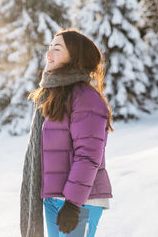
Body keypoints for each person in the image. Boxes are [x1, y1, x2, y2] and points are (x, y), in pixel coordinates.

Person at [20, 28, 114, 237]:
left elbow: (88, 155)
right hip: (54, 198)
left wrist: (73, 203)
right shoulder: (52, 96)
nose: (49, 53)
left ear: (75, 56)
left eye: (57, 48)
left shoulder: (86, 98)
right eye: (50, 47)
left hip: (81, 201)